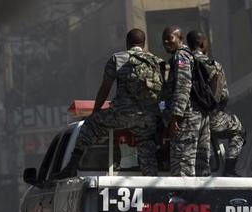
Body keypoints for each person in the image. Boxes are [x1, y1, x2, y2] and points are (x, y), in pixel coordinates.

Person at [59, 28, 162, 177]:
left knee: (89, 124)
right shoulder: (155, 61)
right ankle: (152, 185)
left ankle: (72, 166)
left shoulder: (118, 58)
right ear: (144, 43)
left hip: (121, 115)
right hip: (147, 118)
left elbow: (104, 89)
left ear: (127, 43)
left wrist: (95, 113)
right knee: (147, 149)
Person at [188, 30, 244, 176]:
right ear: (202, 43)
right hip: (211, 118)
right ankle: (229, 168)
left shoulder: (181, 63)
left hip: (186, 118)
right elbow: (223, 96)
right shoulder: (214, 65)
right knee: (238, 130)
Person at [160, 26, 207, 177]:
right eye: (164, 39)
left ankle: (183, 199)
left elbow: (183, 85)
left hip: (185, 118)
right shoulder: (186, 55)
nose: (166, 42)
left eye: (170, 38)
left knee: (182, 166)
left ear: (180, 39)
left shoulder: (181, 56)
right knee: (198, 167)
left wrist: (176, 116)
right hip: (193, 115)